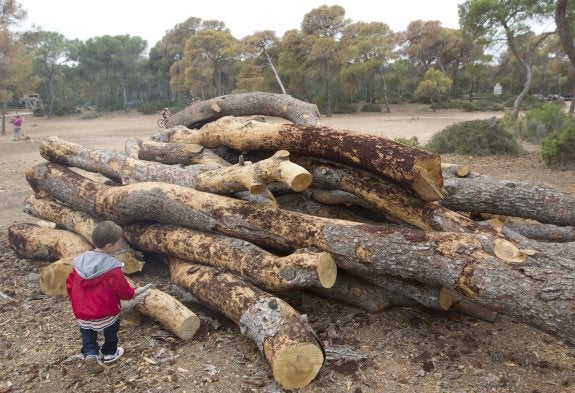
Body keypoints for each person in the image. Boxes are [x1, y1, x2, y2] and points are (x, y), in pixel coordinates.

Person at [66, 221, 152, 374]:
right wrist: (131, 294)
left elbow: (70, 283)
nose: (120, 245)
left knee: (87, 333)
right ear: (109, 246)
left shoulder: (81, 260)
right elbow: (121, 288)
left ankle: (91, 353)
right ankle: (110, 353)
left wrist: (74, 300)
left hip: (82, 313)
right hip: (105, 312)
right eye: (119, 243)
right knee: (111, 331)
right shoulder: (112, 266)